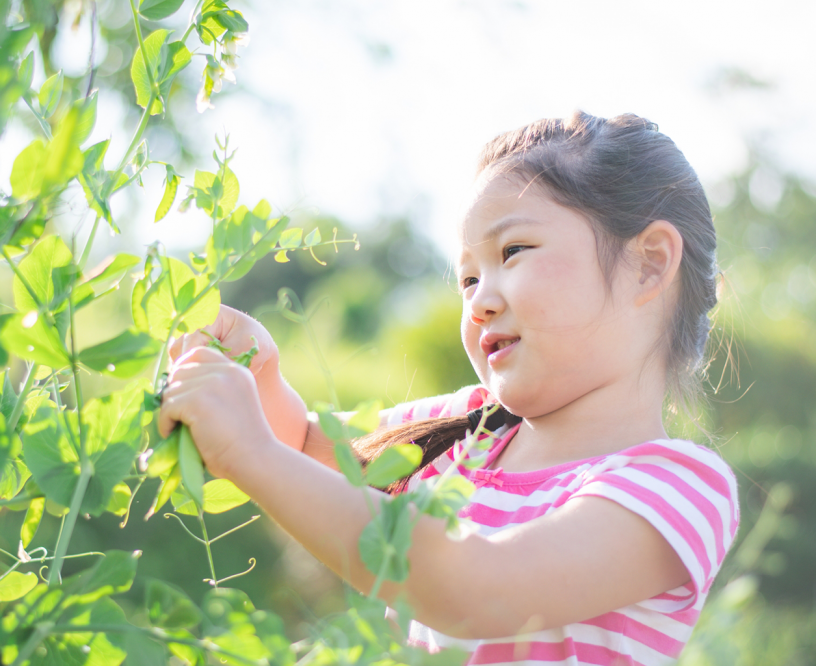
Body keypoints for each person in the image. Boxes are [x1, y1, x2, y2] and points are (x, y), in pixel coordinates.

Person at [157, 111, 740, 665]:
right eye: (467, 277)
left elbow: (476, 590)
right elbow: (306, 449)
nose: (479, 301)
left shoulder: (679, 487)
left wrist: (247, 452)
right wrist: (260, 376)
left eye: (513, 251)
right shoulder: (469, 428)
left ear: (649, 264)